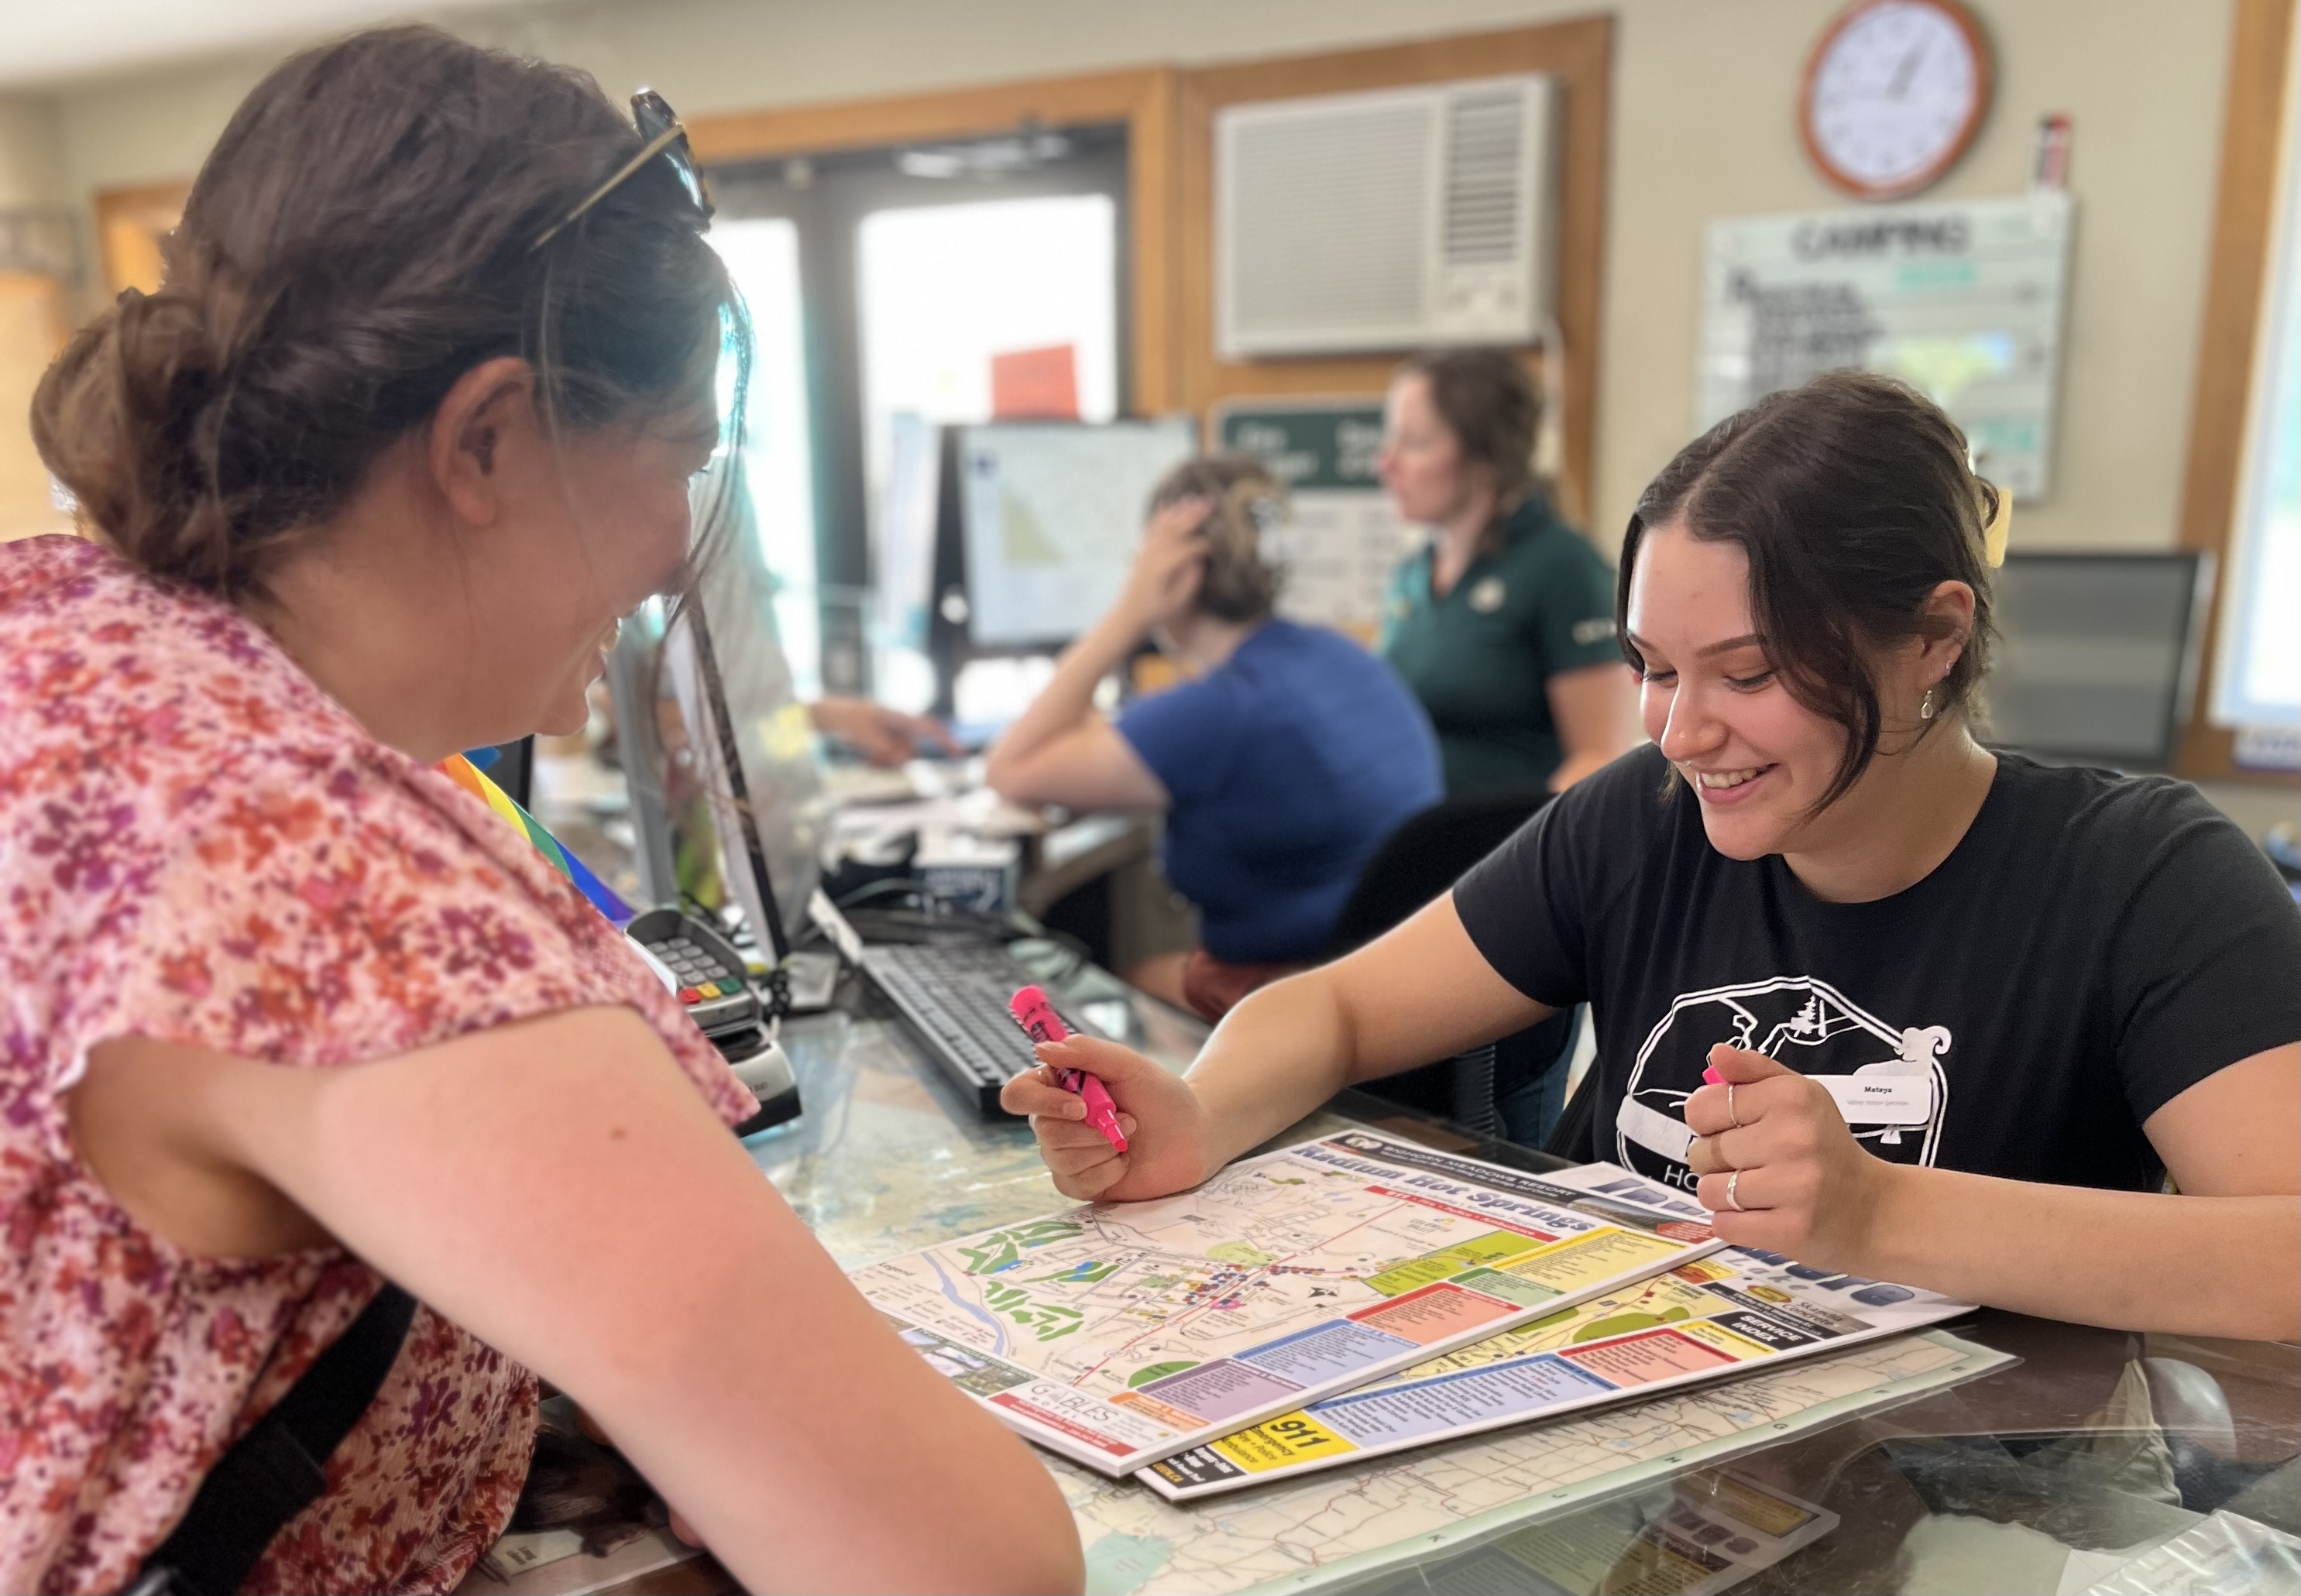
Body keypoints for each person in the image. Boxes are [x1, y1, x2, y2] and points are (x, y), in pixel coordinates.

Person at [2, 29, 1079, 1596]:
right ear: (487, 438)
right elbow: (964, 1564)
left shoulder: (55, 627)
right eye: (682, 459)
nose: (682, 554)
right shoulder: (322, 878)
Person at [1004, 372, 2301, 1344]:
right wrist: (1200, 1118)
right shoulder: (1640, 817)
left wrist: (1879, 1216)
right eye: (1652, 668)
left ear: (1932, 639)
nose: (1680, 733)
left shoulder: (2141, 877)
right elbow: (1337, 1008)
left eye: (1746, 672)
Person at [986, 456, 1442, 1019]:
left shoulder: (1222, 709)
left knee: (1115, 978)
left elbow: (1010, 768)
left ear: (1178, 571)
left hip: (1299, 997)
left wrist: (1130, 611)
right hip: (1390, 977)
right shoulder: (1338, 655)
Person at [1376, 348, 1636, 795]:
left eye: (1415, 443)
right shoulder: (1411, 574)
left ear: (1484, 456)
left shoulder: (1563, 565)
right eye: (1391, 440)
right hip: (1415, 827)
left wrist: (1522, 839)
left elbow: (1598, 760)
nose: (1386, 464)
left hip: (1510, 832)